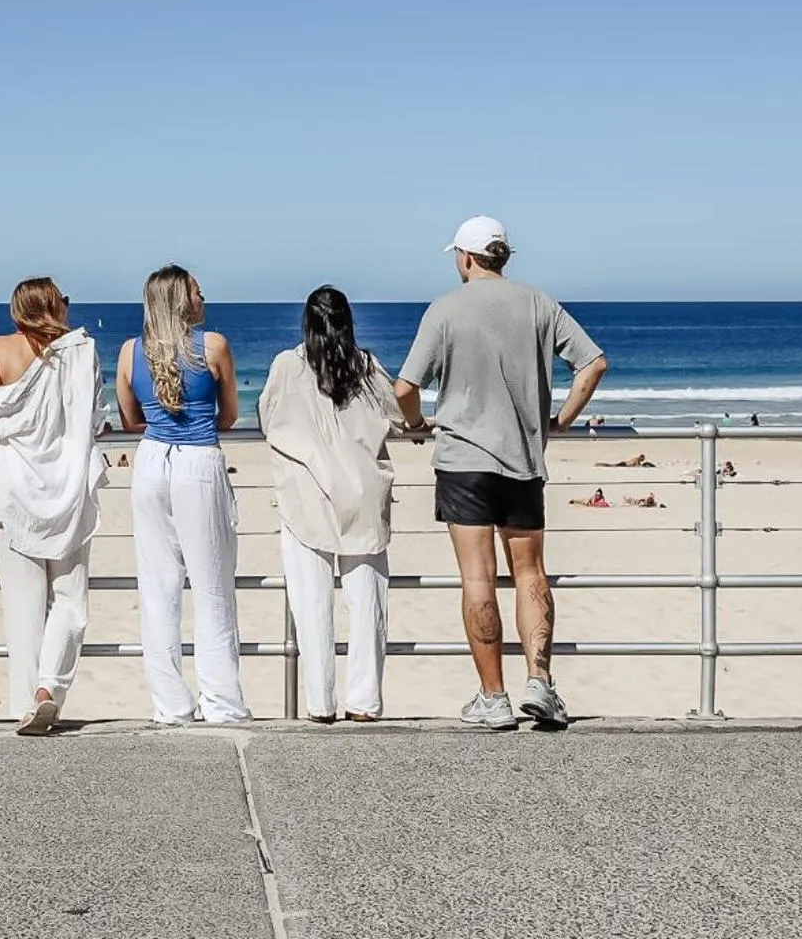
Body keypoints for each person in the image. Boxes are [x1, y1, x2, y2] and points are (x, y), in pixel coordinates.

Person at [394, 215, 608, 731]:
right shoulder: (540, 303)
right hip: (523, 461)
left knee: (477, 578)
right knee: (531, 573)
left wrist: (418, 424)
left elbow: (404, 387)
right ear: (503, 256)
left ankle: (494, 698)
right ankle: (540, 682)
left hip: (463, 462)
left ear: (466, 257)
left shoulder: (444, 309)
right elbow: (593, 364)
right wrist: (557, 422)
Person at [0, 277, 105, 736]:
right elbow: (95, 420)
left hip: (14, 490)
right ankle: (49, 691)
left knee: (22, 606)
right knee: (69, 600)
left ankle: (26, 703)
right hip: (69, 489)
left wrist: (18, 421)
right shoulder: (82, 352)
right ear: (53, 306)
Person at [259, 286, 401, 724]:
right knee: (367, 603)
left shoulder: (287, 365)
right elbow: (397, 415)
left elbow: (267, 417)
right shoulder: (367, 366)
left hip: (306, 495)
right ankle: (364, 700)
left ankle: (320, 702)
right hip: (362, 492)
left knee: (312, 605)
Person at [115, 265, 249, 725]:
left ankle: (171, 705)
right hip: (198, 462)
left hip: (151, 462)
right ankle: (222, 704)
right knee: (212, 588)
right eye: (196, 288)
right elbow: (228, 416)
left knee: (158, 589)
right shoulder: (213, 346)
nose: (203, 292)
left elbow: (130, 416)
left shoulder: (130, 351)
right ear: (180, 299)